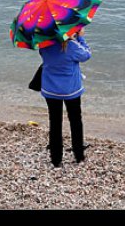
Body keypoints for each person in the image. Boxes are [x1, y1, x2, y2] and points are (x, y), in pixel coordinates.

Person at [38, 28, 91, 168]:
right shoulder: (71, 46)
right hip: (71, 90)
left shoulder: (44, 44)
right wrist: (80, 38)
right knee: (75, 121)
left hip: (50, 89)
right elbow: (86, 55)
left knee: (55, 123)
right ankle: (78, 154)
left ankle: (56, 159)